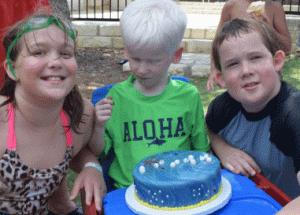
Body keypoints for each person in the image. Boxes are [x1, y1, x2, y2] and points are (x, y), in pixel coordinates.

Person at [95, 0, 209, 189]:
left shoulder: (189, 96)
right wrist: (98, 127)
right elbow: (100, 152)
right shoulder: (115, 98)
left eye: (153, 61)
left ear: (176, 55)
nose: (142, 69)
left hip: (180, 189)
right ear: (126, 51)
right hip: (129, 193)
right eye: (135, 58)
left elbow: (201, 152)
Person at [0, 12, 106, 214]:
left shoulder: (80, 115)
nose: (56, 62)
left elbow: (77, 153)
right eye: (39, 52)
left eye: (65, 54)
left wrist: (93, 168)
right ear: (12, 70)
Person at [206, 18, 300, 199]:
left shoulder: (293, 114)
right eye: (233, 64)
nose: (246, 70)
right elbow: (209, 129)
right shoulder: (222, 108)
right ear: (221, 78)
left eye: (256, 57)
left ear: (277, 61)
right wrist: (224, 149)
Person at [207, 0, 292, 91]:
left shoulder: (275, 8)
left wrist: (269, 27)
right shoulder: (231, 5)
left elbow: (287, 48)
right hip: (240, 75)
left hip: (268, 78)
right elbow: (218, 42)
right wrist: (214, 70)